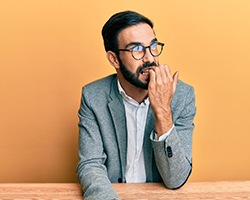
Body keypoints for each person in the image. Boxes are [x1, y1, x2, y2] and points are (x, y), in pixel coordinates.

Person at [76, 10, 196, 200]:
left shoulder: (182, 95)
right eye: (137, 50)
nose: (150, 58)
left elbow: (176, 179)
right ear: (113, 59)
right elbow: (90, 166)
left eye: (153, 46)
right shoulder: (93, 96)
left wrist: (162, 111)